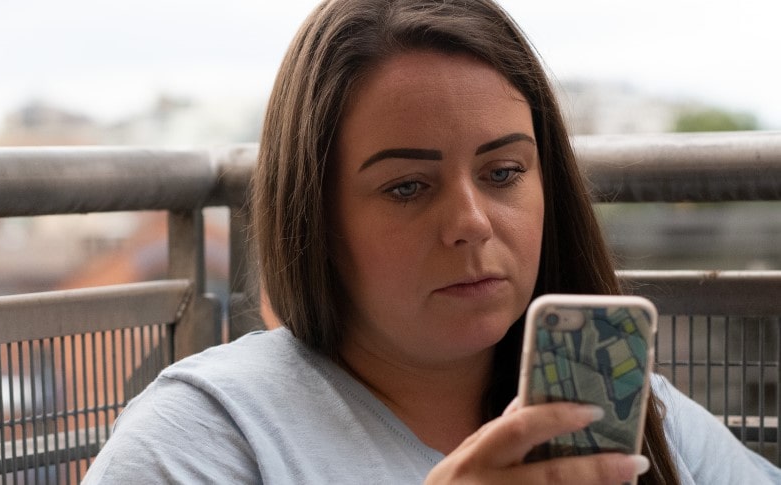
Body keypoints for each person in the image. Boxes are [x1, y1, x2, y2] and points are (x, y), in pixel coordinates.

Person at [82, 0, 781, 483]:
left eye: (504, 172)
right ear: (316, 218)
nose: (471, 221)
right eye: (408, 187)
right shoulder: (204, 436)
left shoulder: (628, 411)